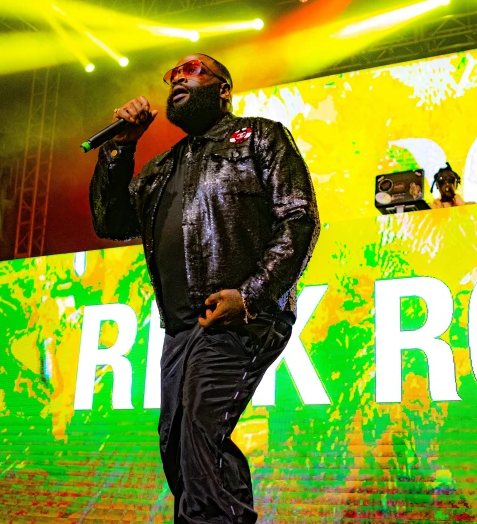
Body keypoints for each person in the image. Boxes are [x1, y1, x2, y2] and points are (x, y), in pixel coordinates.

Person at [89, 54, 320, 523]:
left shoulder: (258, 136)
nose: (176, 77)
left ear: (222, 89)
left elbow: (299, 216)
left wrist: (252, 295)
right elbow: (109, 221)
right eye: (171, 74)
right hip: (181, 330)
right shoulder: (160, 168)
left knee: (200, 431)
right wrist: (119, 149)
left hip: (239, 314)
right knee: (178, 445)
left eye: (191, 70)